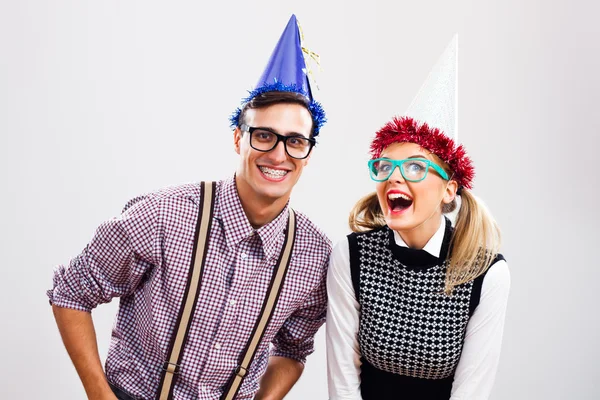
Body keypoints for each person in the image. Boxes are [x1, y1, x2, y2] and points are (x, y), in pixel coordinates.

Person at [48, 14, 330, 400]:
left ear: (307, 153)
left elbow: (294, 350)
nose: (279, 154)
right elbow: (71, 292)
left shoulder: (314, 255)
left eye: (295, 141)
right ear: (238, 139)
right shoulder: (163, 214)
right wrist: (100, 395)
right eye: (264, 135)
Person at [326, 36, 510, 399]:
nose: (395, 177)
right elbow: (342, 379)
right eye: (386, 166)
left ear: (449, 190)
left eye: (414, 167)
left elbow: (471, 389)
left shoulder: (487, 273)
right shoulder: (351, 256)